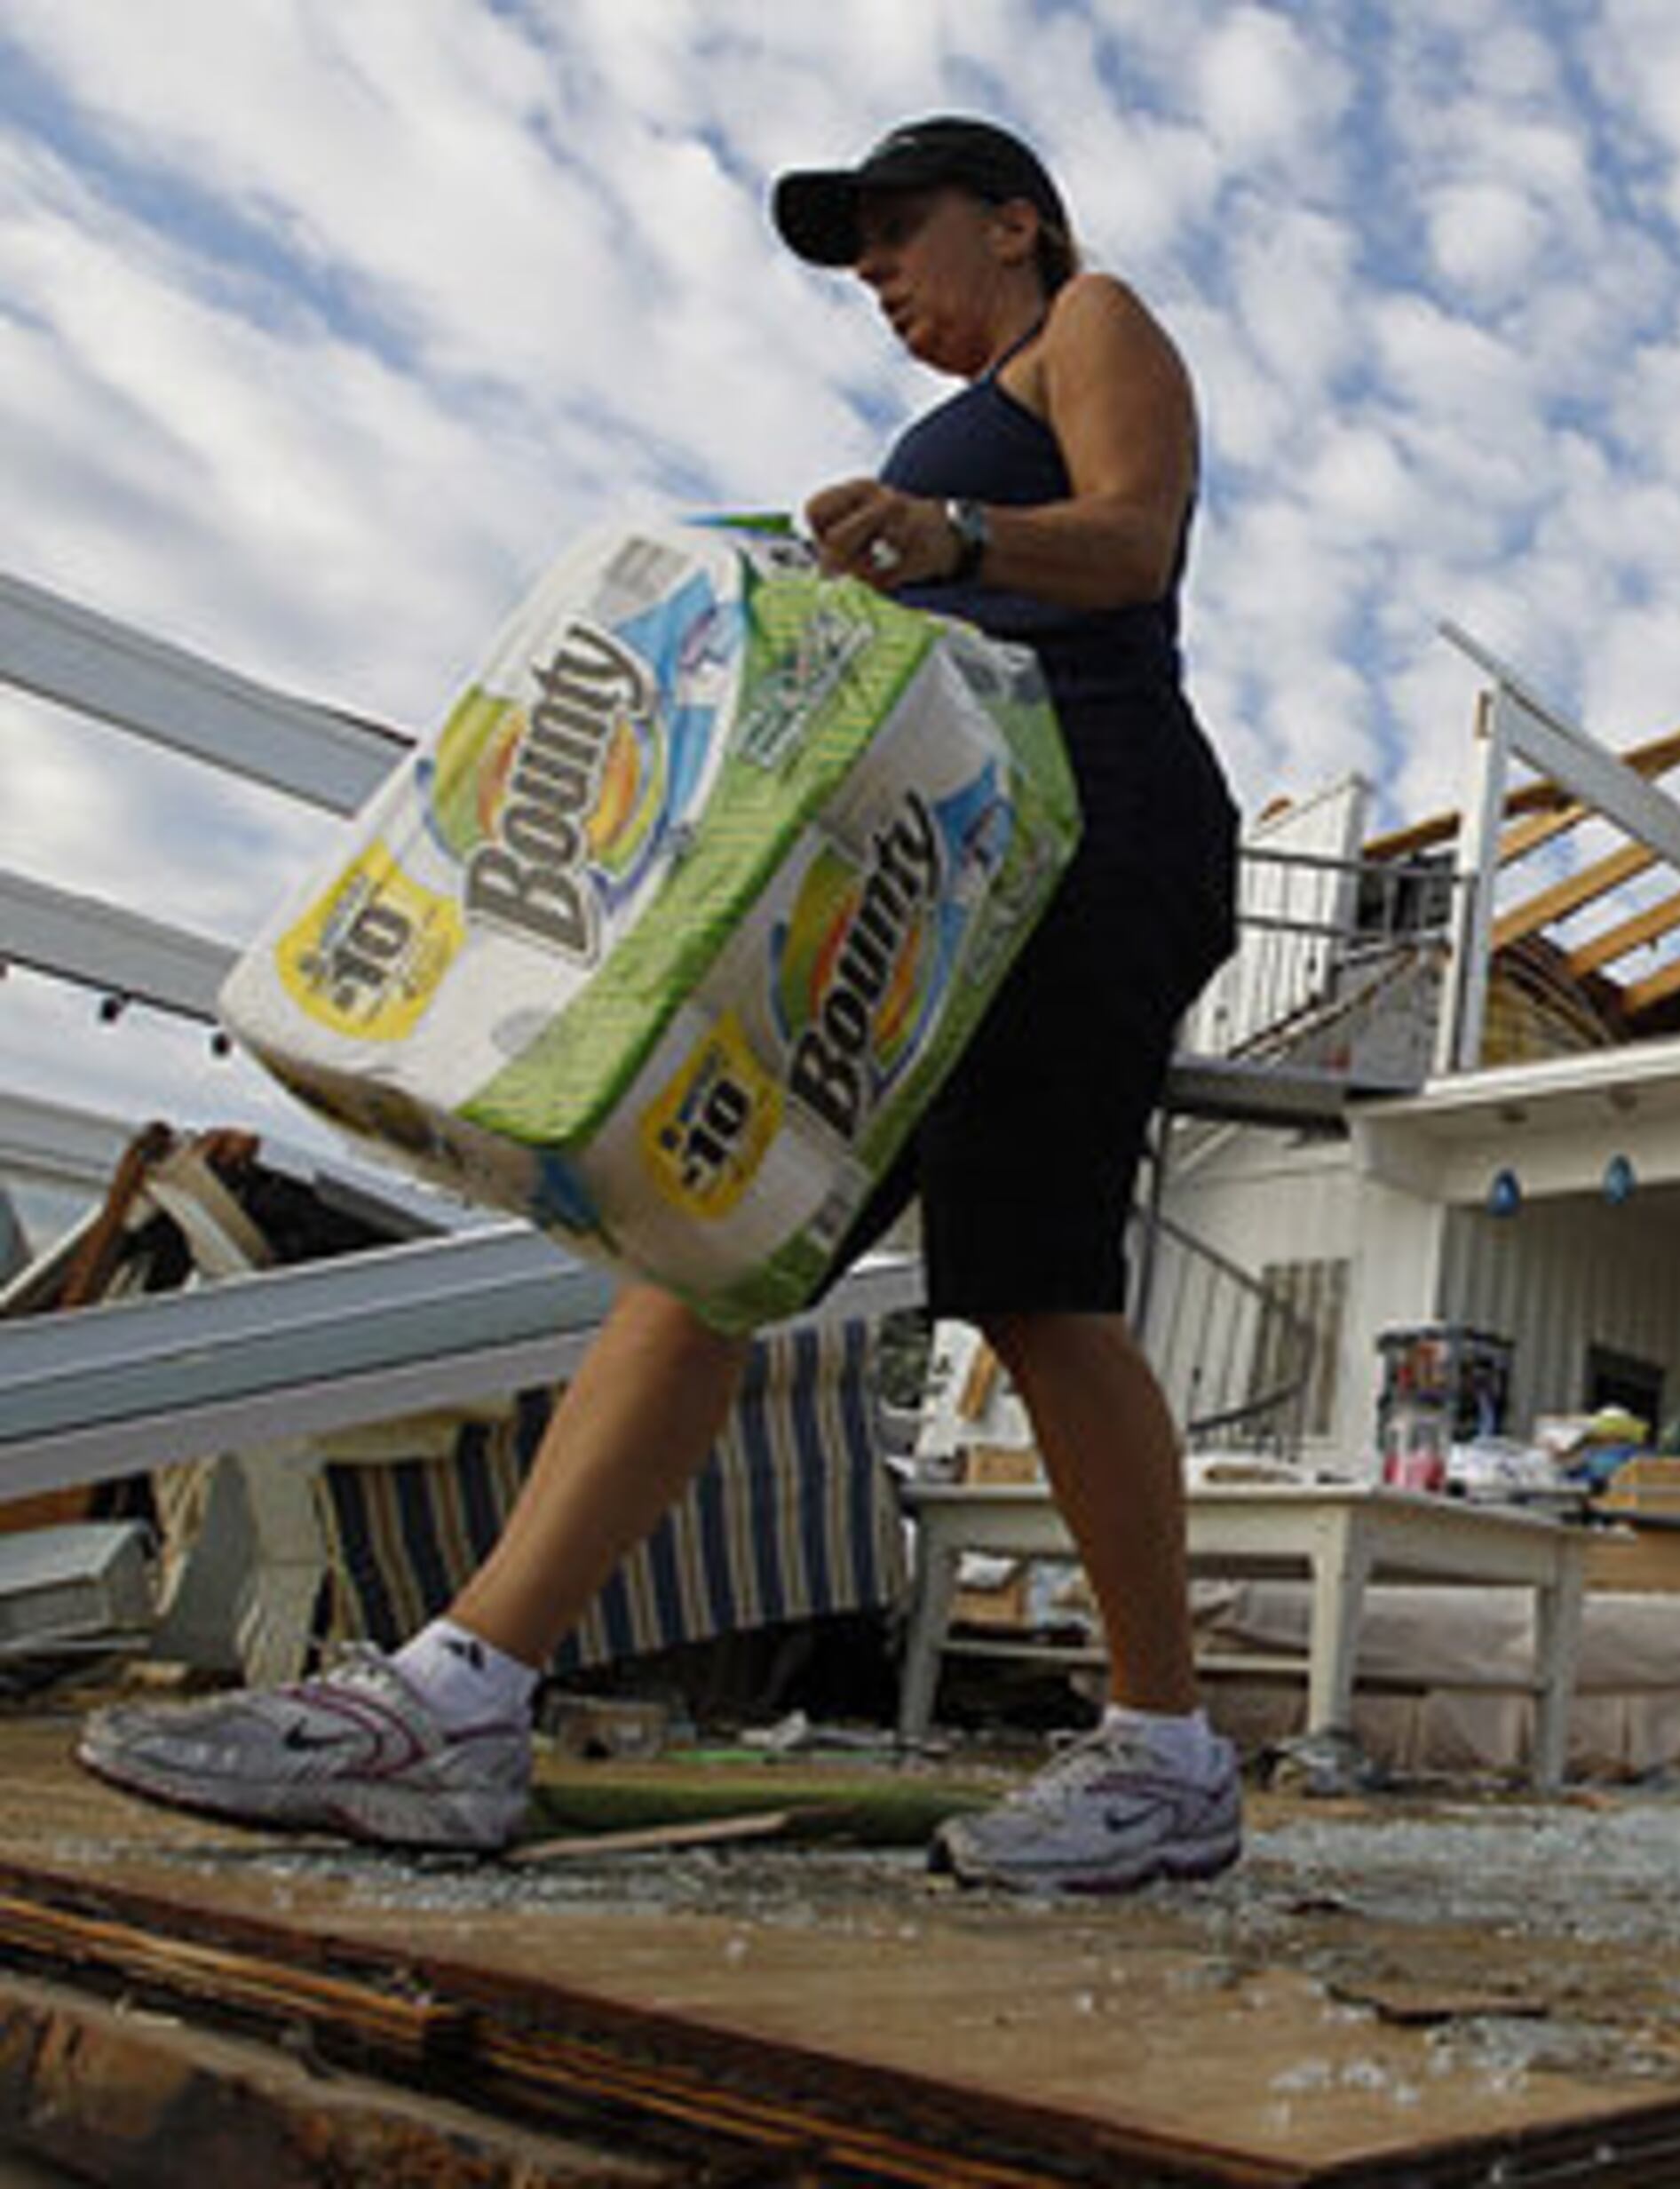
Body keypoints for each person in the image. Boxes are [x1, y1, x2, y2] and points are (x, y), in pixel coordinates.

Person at [76, 117, 1245, 1893]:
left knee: (1034, 1276)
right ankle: (463, 1696)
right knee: (700, 1232)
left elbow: (1134, 545)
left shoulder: (1090, 322)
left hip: (1091, 824)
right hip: (931, 849)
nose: (874, 275)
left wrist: (952, 527)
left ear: (1013, 222)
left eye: (898, 232)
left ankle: (1166, 1757)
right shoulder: (957, 407)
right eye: (853, 257)